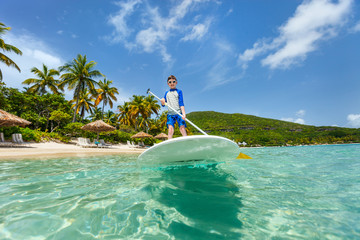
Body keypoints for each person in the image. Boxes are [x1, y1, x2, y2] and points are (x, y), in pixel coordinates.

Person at [160, 75, 187, 139]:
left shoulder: (179, 91)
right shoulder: (167, 93)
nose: (172, 83)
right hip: (170, 114)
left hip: (179, 113)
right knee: (170, 129)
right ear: (168, 83)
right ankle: (169, 142)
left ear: (176, 82)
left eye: (173, 81)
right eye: (170, 82)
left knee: (182, 128)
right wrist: (162, 101)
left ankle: (186, 140)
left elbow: (181, 103)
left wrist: (183, 113)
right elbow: (163, 104)